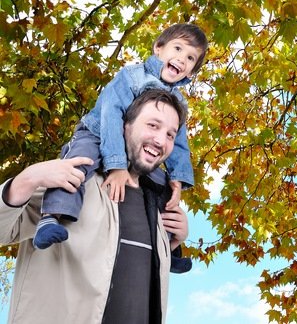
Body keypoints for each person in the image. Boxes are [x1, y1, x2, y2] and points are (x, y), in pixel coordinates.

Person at [0, 90, 189, 324]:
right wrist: (26, 180)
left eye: (171, 135)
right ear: (123, 125)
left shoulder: (157, 205)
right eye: (153, 125)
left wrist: (172, 244)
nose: (161, 141)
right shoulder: (73, 182)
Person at [33, 23, 208, 249]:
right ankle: (51, 216)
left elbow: (179, 141)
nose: (182, 59)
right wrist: (116, 166)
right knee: (79, 163)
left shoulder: (179, 102)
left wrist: (178, 177)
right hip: (97, 133)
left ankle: (169, 246)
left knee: (162, 187)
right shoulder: (132, 77)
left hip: (130, 151)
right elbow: (111, 115)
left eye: (191, 58)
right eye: (177, 49)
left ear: (192, 71)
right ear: (158, 48)